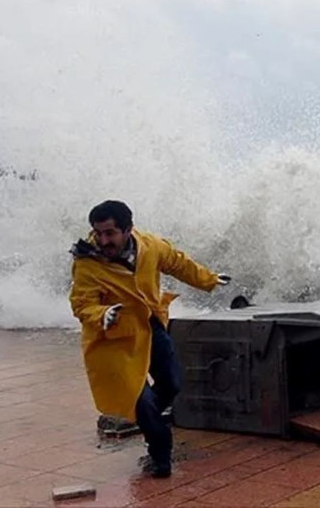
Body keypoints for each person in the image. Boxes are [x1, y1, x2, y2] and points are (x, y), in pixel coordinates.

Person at [69, 200, 230, 478]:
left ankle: (147, 418)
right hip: (113, 339)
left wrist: (208, 280)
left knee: (172, 383)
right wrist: (102, 314)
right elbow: (82, 304)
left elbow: (178, 263)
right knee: (140, 400)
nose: (103, 240)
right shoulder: (87, 263)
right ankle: (159, 455)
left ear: (128, 229)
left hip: (150, 326)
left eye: (110, 233)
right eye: (98, 233)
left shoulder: (150, 246)